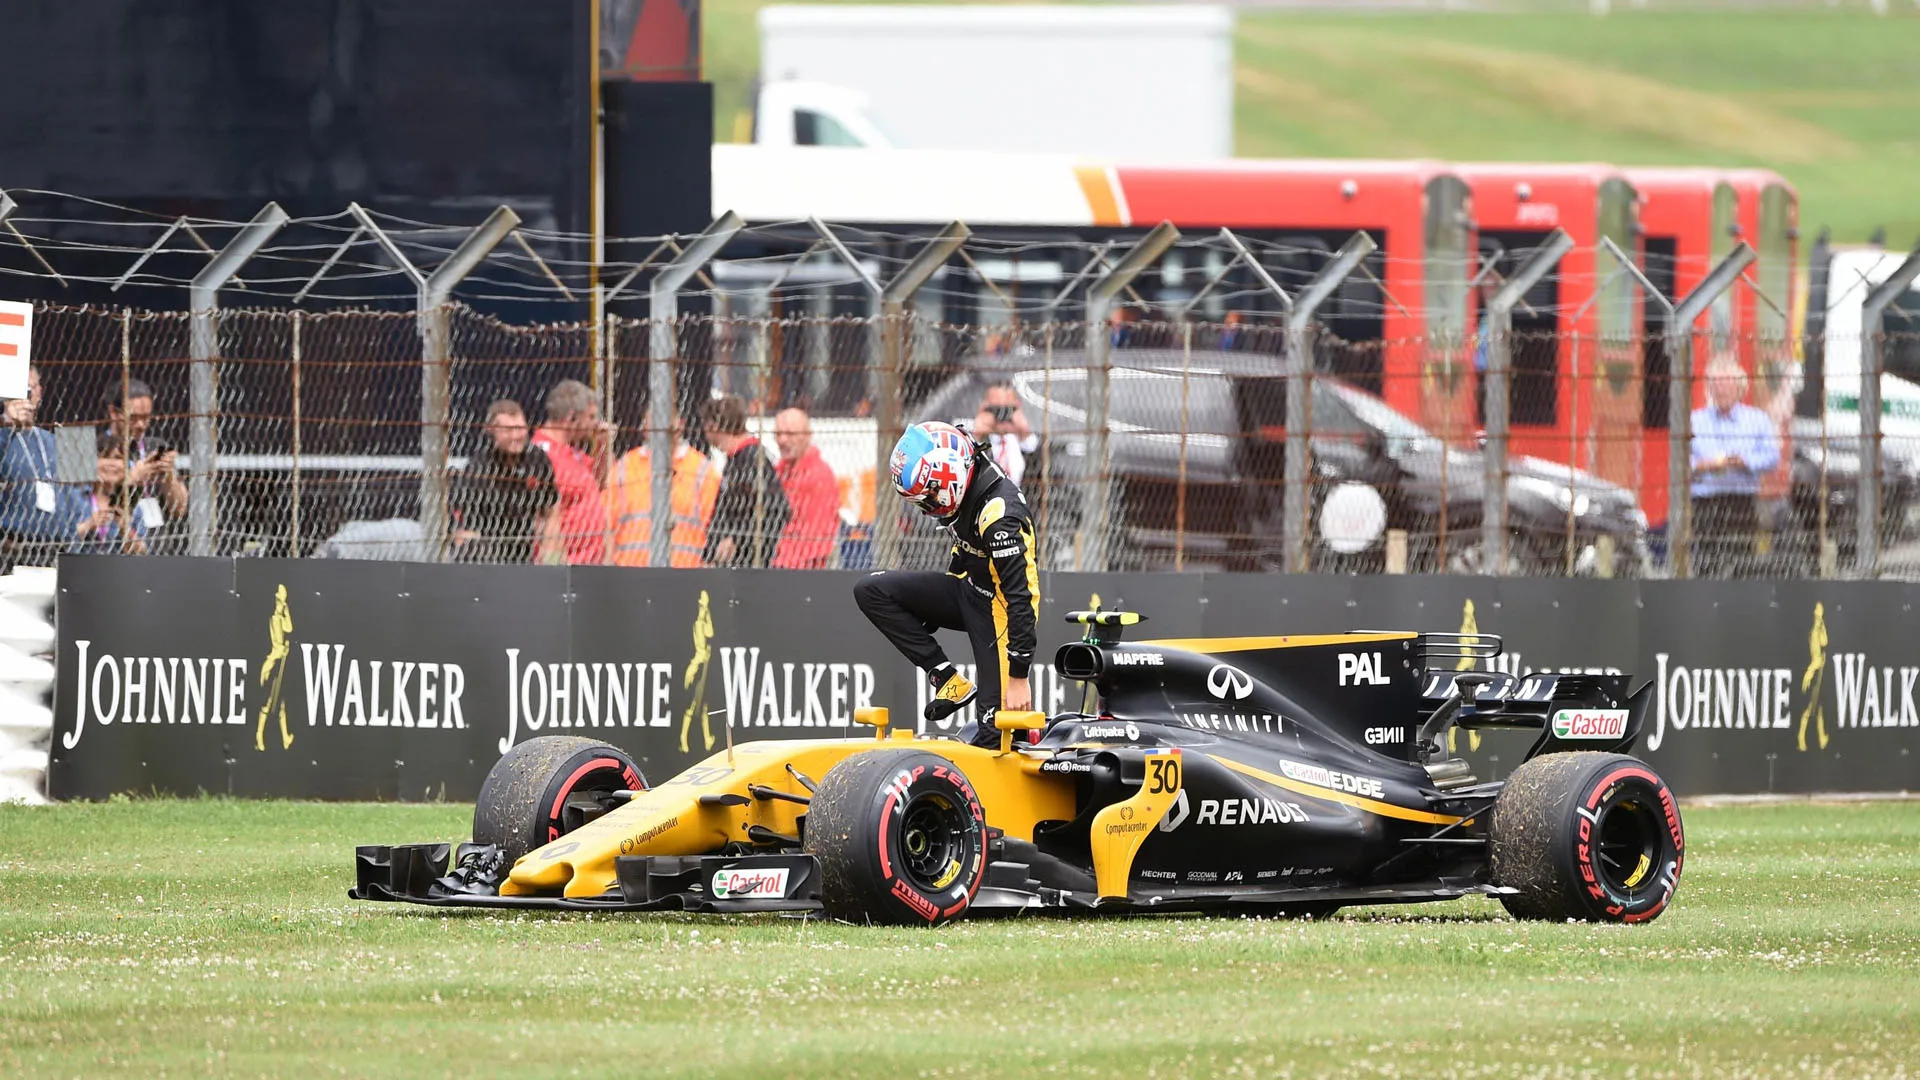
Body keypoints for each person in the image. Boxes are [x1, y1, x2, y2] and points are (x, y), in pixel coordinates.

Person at [854, 421, 1038, 749]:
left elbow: (1022, 597)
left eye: (927, 498)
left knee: (995, 734)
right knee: (871, 591)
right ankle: (947, 680)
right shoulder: (961, 459)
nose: (927, 509)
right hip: (968, 588)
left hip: (1000, 609)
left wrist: (1019, 674)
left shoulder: (1000, 518)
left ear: (948, 477)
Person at [1690, 355, 1780, 578]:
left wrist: (1745, 462)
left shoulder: (1757, 419)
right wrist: (1702, 465)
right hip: (1705, 502)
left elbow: (1772, 457)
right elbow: (1678, 460)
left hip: (1741, 500)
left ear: (1740, 389)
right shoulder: (1694, 420)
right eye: (1715, 386)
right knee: (1706, 563)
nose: (1720, 391)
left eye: (1725, 386)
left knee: (1741, 563)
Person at [0, 365, 89, 568]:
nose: (24, 398)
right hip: (12, 551)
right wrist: (6, 423)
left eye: (28, 390)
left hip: (59, 550)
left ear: (39, 392)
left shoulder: (65, 440)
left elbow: (85, 501)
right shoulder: (3, 435)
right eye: (16, 392)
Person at [452, 399, 560, 564]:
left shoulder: (537, 460)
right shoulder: (478, 470)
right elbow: (464, 533)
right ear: (492, 431)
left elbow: (551, 511)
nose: (517, 436)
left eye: (521, 428)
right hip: (485, 553)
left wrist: (550, 557)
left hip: (523, 552)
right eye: (508, 430)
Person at [607, 412, 721, 568]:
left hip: (685, 575)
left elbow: (714, 527)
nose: (658, 426)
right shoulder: (624, 468)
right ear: (644, 427)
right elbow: (606, 526)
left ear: (680, 425)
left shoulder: (703, 471)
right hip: (631, 575)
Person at [699, 395, 790, 569]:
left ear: (714, 426)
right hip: (735, 566)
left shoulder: (751, 458)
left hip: (750, 565)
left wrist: (737, 540)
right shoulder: (735, 460)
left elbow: (776, 508)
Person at [531, 379, 615, 565]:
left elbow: (600, 482)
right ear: (571, 418)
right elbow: (545, 518)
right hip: (567, 566)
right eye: (590, 417)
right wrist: (554, 565)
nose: (595, 424)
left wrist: (603, 446)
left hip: (591, 565)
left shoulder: (571, 453)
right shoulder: (541, 455)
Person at [102, 377, 188, 533]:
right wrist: (133, 478)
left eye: (146, 417)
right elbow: (84, 508)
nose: (141, 425)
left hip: (154, 542)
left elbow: (179, 509)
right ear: (114, 413)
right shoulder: (96, 446)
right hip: (111, 540)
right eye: (133, 418)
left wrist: (168, 475)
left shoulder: (154, 446)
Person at [771, 406, 840, 570]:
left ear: (807, 436)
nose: (782, 440)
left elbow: (816, 537)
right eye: (778, 434)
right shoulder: (780, 471)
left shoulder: (818, 475)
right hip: (780, 562)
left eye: (790, 434)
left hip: (802, 569)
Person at [70, 432, 148, 555]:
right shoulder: (74, 497)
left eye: (118, 458)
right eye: (104, 457)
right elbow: (60, 538)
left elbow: (142, 550)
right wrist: (89, 525)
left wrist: (124, 528)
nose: (111, 463)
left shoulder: (133, 504)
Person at [971, 383, 1039, 486]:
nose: (1001, 417)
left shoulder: (1028, 443)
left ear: (1018, 407)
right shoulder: (975, 444)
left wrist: (1024, 432)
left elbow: (1041, 458)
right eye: (995, 410)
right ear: (984, 408)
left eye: (1007, 410)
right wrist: (977, 437)